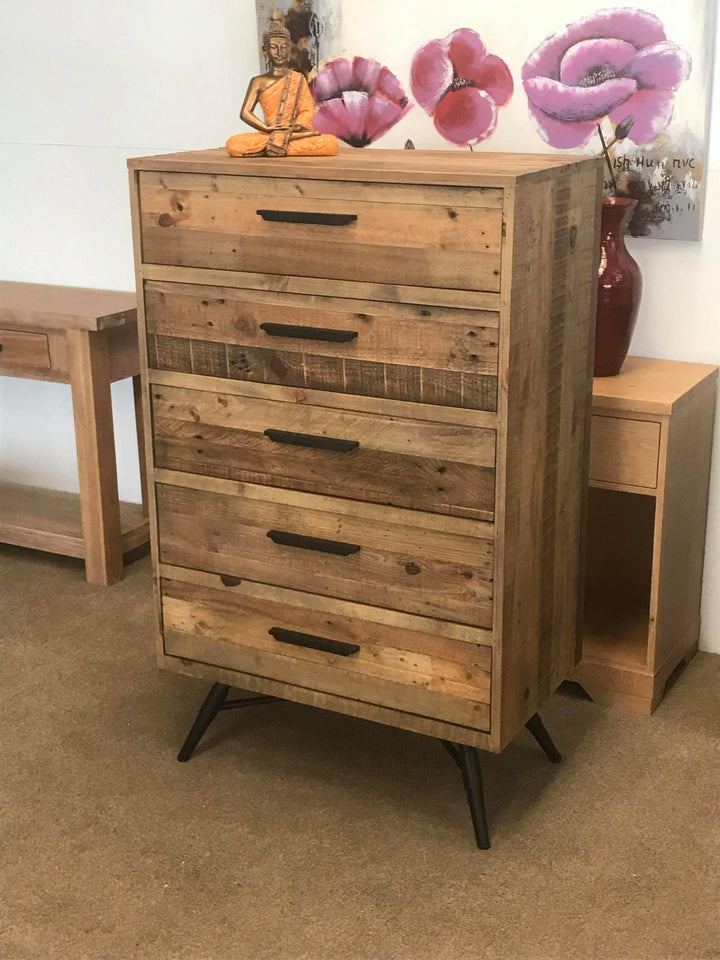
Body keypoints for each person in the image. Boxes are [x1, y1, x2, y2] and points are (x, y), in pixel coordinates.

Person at [225, 20, 339, 158]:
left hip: (293, 133)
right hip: (269, 133)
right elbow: (245, 113)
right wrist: (266, 128)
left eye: (284, 47)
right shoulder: (258, 81)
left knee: (330, 143)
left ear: (289, 50)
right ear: (265, 50)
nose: (279, 52)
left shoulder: (298, 79)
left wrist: (296, 127)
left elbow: (307, 111)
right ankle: (279, 144)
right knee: (234, 143)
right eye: (274, 47)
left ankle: (274, 146)